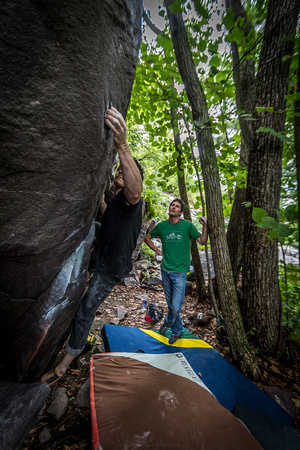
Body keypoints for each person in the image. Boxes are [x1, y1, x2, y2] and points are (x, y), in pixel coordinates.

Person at [41, 107, 143, 385]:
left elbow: (135, 189)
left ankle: (65, 363)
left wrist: (122, 145)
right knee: (92, 227)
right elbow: (102, 213)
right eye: (119, 171)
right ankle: (80, 338)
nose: (120, 173)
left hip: (111, 268)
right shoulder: (116, 204)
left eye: (124, 171)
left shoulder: (132, 201)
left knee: (86, 310)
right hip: (102, 255)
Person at [144, 198, 208, 345]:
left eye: (177, 206)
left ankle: (167, 323)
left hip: (180, 273)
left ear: (181, 211)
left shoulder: (187, 225)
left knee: (175, 307)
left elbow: (203, 241)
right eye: (172, 205)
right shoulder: (162, 226)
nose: (173, 207)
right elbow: (147, 238)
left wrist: (206, 226)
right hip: (165, 271)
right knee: (171, 305)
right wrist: (157, 250)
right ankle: (177, 331)